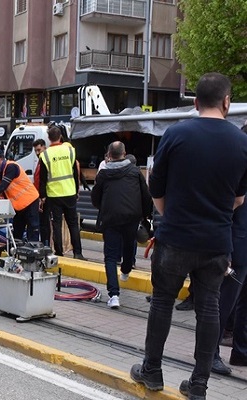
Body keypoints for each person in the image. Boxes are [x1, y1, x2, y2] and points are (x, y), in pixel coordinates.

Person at [130, 73, 247, 399]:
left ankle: (152, 371)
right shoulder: (241, 142)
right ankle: (198, 384)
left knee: (163, 302)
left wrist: (173, 216)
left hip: (176, 237)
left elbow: (157, 188)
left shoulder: (176, 134)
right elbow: (239, 200)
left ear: (194, 103)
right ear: (227, 102)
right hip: (217, 242)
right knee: (209, 307)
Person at [91, 141, 152, 309]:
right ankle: (126, 270)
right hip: (131, 217)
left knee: (110, 257)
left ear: (109, 155)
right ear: (124, 154)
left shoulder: (103, 174)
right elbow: (146, 195)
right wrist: (146, 215)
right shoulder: (135, 171)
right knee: (128, 246)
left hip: (110, 218)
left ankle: (114, 295)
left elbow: (95, 197)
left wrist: (103, 207)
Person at [212, 122, 247, 375]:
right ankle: (211, 352)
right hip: (235, 242)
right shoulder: (237, 166)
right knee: (224, 301)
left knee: (236, 301)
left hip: (238, 240)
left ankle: (241, 351)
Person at [39, 126, 85, 259]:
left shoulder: (45, 155)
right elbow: (75, 172)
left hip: (54, 194)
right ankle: (78, 252)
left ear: (49, 138)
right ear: (60, 136)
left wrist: (42, 197)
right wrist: (77, 190)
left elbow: (43, 179)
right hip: (70, 192)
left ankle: (59, 252)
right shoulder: (70, 150)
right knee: (72, 224)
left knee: (57, 224)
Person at [0, 148, 40, 242]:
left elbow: (3, 186)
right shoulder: (0, 175)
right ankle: (17, 251)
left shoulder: (11, 166)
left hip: (30, 201)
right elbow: (2, 193)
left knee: (33, 229)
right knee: (17, 231)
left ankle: (33, 251)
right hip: (19, 206)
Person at [33, 139, 51, 245]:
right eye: (35, 150)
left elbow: (43, 180)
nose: (37, 153)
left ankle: (46, 243)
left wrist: (42, 197)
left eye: (39, 150)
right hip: (40, 196)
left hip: (44, 196)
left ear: (44, 147)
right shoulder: (40, 161)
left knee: (44, 223)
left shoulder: (44, 161)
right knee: (43, 223)